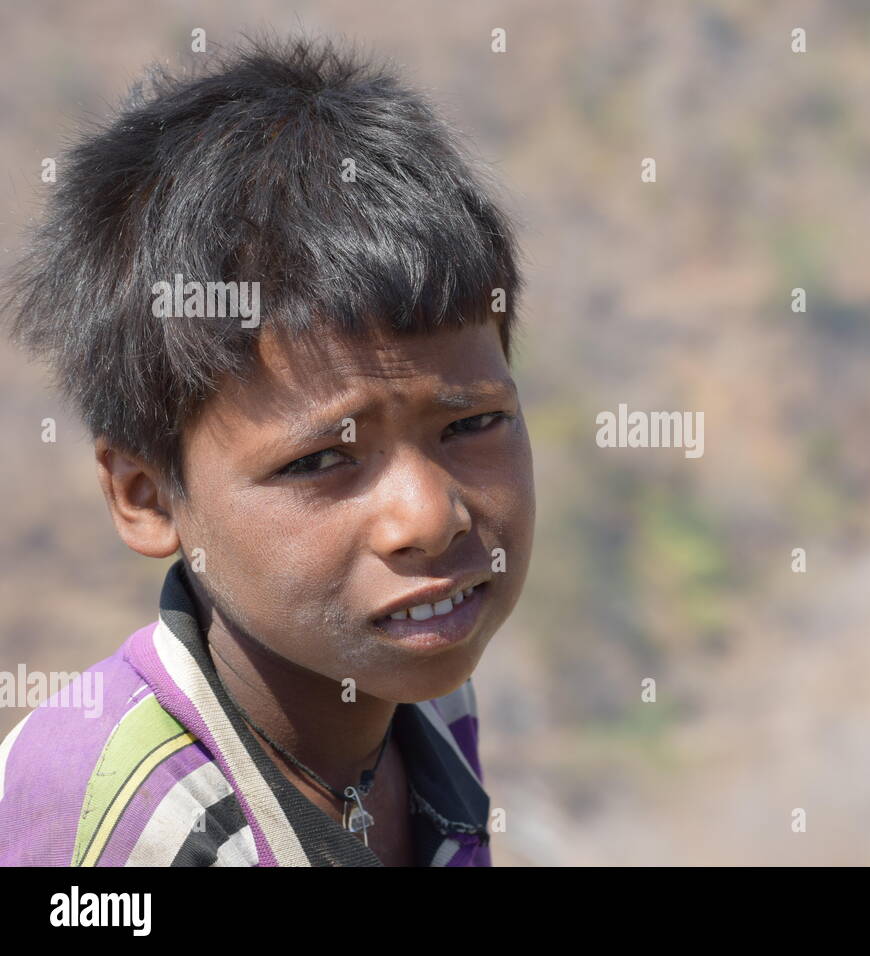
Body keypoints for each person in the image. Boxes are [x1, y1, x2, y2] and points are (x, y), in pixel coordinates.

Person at [0, 34, 535, 866]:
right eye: (321, 460)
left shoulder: (424, 693)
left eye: (470, 424)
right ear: (147, 496)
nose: (429, 519)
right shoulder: (128, 824)